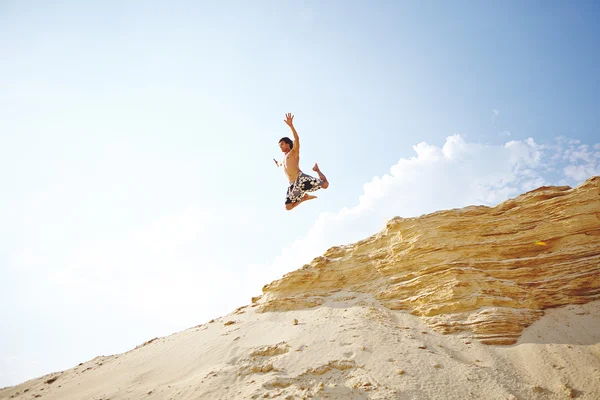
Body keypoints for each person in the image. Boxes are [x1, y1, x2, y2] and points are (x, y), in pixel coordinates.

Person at [273, 113, 329, 211]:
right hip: (292, 184)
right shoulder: (283, 158)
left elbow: (297, 139)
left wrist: (291, 126)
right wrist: (277, 163)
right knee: (288, 207)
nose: (280, 146)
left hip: (300, 178)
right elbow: (280, 164)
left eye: (282, 144)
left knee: (325, 185)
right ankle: (304, 198)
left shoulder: (294, 152)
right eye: (279, 145)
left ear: (287, 144)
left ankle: (317, 170)